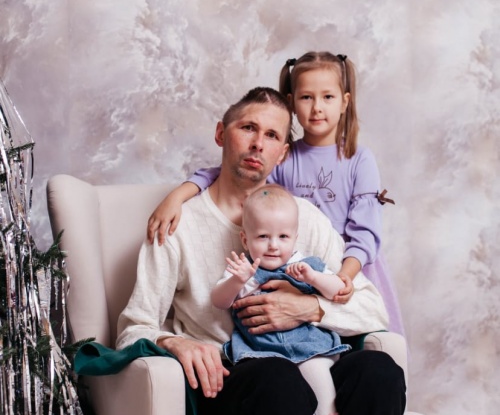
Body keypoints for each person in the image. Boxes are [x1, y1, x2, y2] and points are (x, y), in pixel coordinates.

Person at [117, 86, 406, 415]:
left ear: (282, 152)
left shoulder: (304, 218)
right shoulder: (178, 223)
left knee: (381, 374)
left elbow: (372, 308)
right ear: (221, 133)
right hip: (235, 376)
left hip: (311, 361)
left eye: (272, 135)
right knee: (276, 380)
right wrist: (175, 343)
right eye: (247, 128)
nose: (257, 143)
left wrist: (309, 308)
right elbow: (134, 325)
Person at [147, 52, 405, 335]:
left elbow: (365, 231)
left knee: (371, 338)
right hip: (292, 261)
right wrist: (179, 195)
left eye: (327, 97)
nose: (317, 108)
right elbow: (236, 174)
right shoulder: (284, 158)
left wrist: (343, 277)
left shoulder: (358, 158)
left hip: (350, 263)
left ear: (344, 102)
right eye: (307, 97)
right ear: (292, 102)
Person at [212, 184, 355, 415]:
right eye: (263, 236)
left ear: (295, 238)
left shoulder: (305, 264)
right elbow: (219, 301)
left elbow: (337, 290)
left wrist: (313, 278)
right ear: (245, 239)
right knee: (282, 388)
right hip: (262, 352)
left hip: (307, 345)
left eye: (283, 236)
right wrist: (237, 281)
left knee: (316, 370)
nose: (273, 245)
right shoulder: (244, 271)